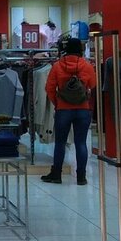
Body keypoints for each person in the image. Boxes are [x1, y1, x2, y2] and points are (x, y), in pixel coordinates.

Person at [42, 37, 97, 185]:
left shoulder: (57, 66)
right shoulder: (87, 66)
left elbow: (49, 88)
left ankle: (56, 174)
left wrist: (57, 103)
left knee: (60, 143)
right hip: (83, 108)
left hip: (63, 109)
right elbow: (93, 84)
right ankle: (81, 177)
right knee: (81, 143)